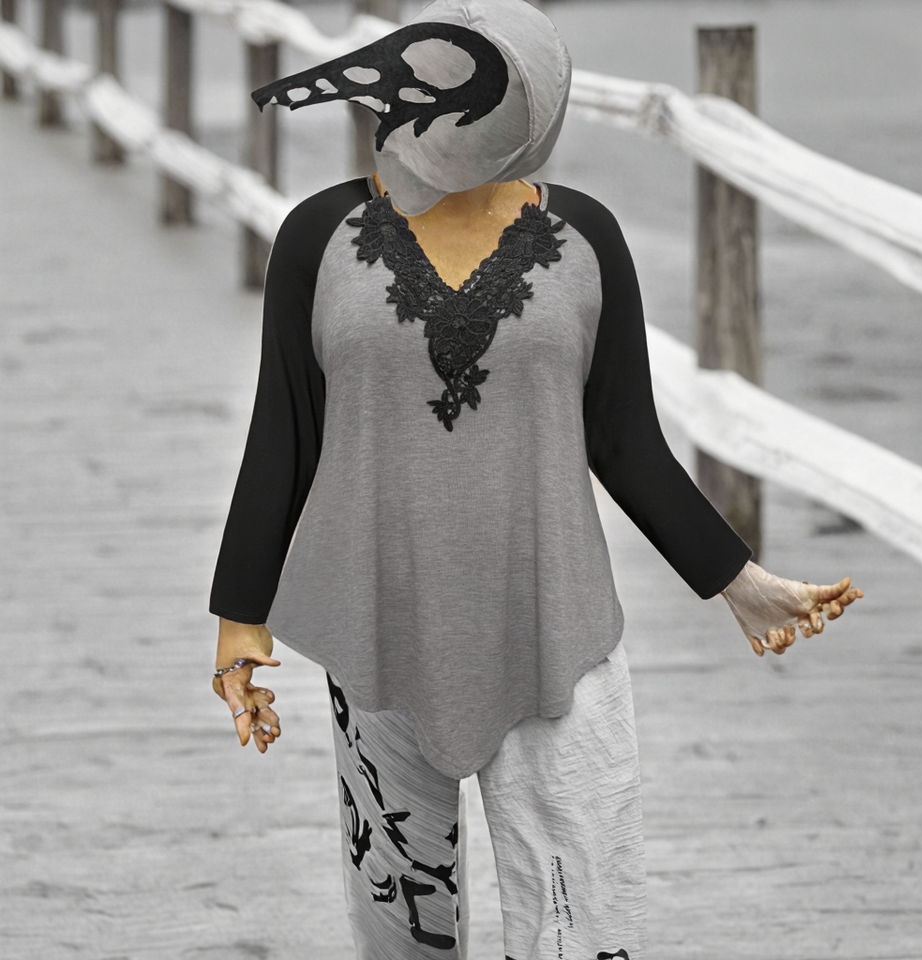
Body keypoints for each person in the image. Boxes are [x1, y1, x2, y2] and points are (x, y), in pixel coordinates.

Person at [208, 2, 863, 957]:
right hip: (379, 624)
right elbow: (285, 431)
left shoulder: (586, 238)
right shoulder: (318, 236)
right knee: (402, 931)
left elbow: (626, 440)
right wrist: (239, 620)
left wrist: (738, 580)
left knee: (580, 923)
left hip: (559, 625)